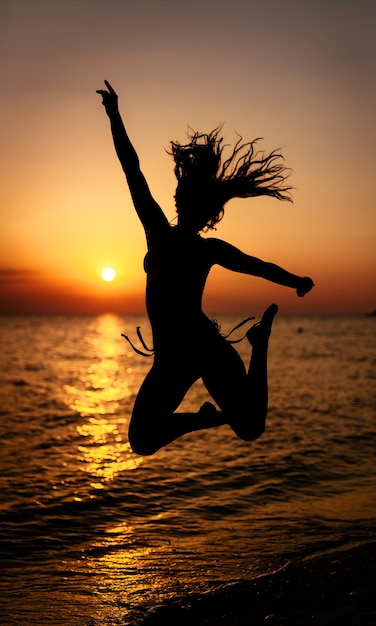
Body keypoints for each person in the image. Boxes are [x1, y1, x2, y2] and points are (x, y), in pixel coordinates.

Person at [96, 80, 314, 456]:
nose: (184, 201)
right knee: (141, 439)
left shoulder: (206, 248)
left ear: (205, 211)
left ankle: (258, 345)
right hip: (170, 358)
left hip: (202, 346)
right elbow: (132, 170)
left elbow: (256, 266)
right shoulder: (157, 232)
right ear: (181, 199)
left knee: (250, 428)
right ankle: (206, 419)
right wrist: (115, 116)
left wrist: (295, 280)